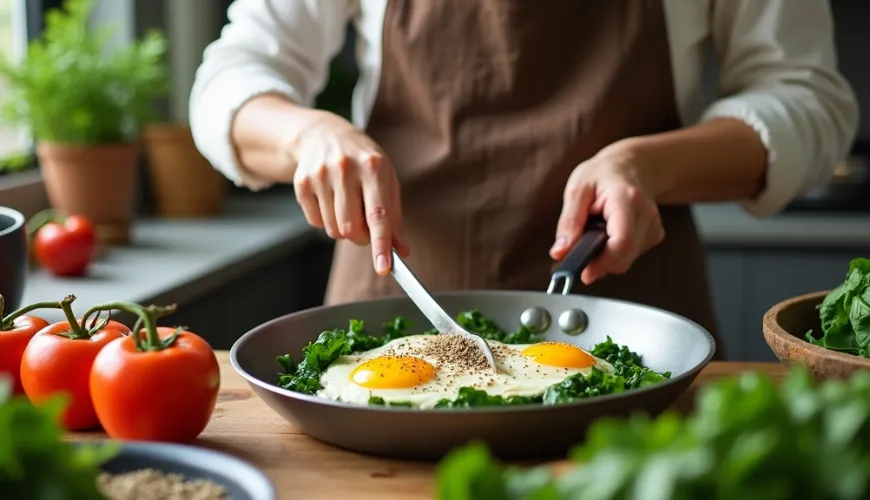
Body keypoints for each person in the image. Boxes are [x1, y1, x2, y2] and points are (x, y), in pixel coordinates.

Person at [190, 0, 857, 352]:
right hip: (391, 322)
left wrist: (648, 164)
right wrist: (309, 134)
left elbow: (807, 98)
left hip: (631, 321)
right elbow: (231, 78)